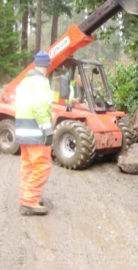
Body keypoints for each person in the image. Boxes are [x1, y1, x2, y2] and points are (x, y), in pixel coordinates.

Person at [15, 50, 53, 216]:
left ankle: (28, 196)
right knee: (42, 165)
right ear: (48, 66)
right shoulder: (41, 82)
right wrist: (47, 129)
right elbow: (40, 107)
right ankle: (29, 201)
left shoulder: (25, 82)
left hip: (23, 128)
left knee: (28, 165)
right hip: (35, 130)